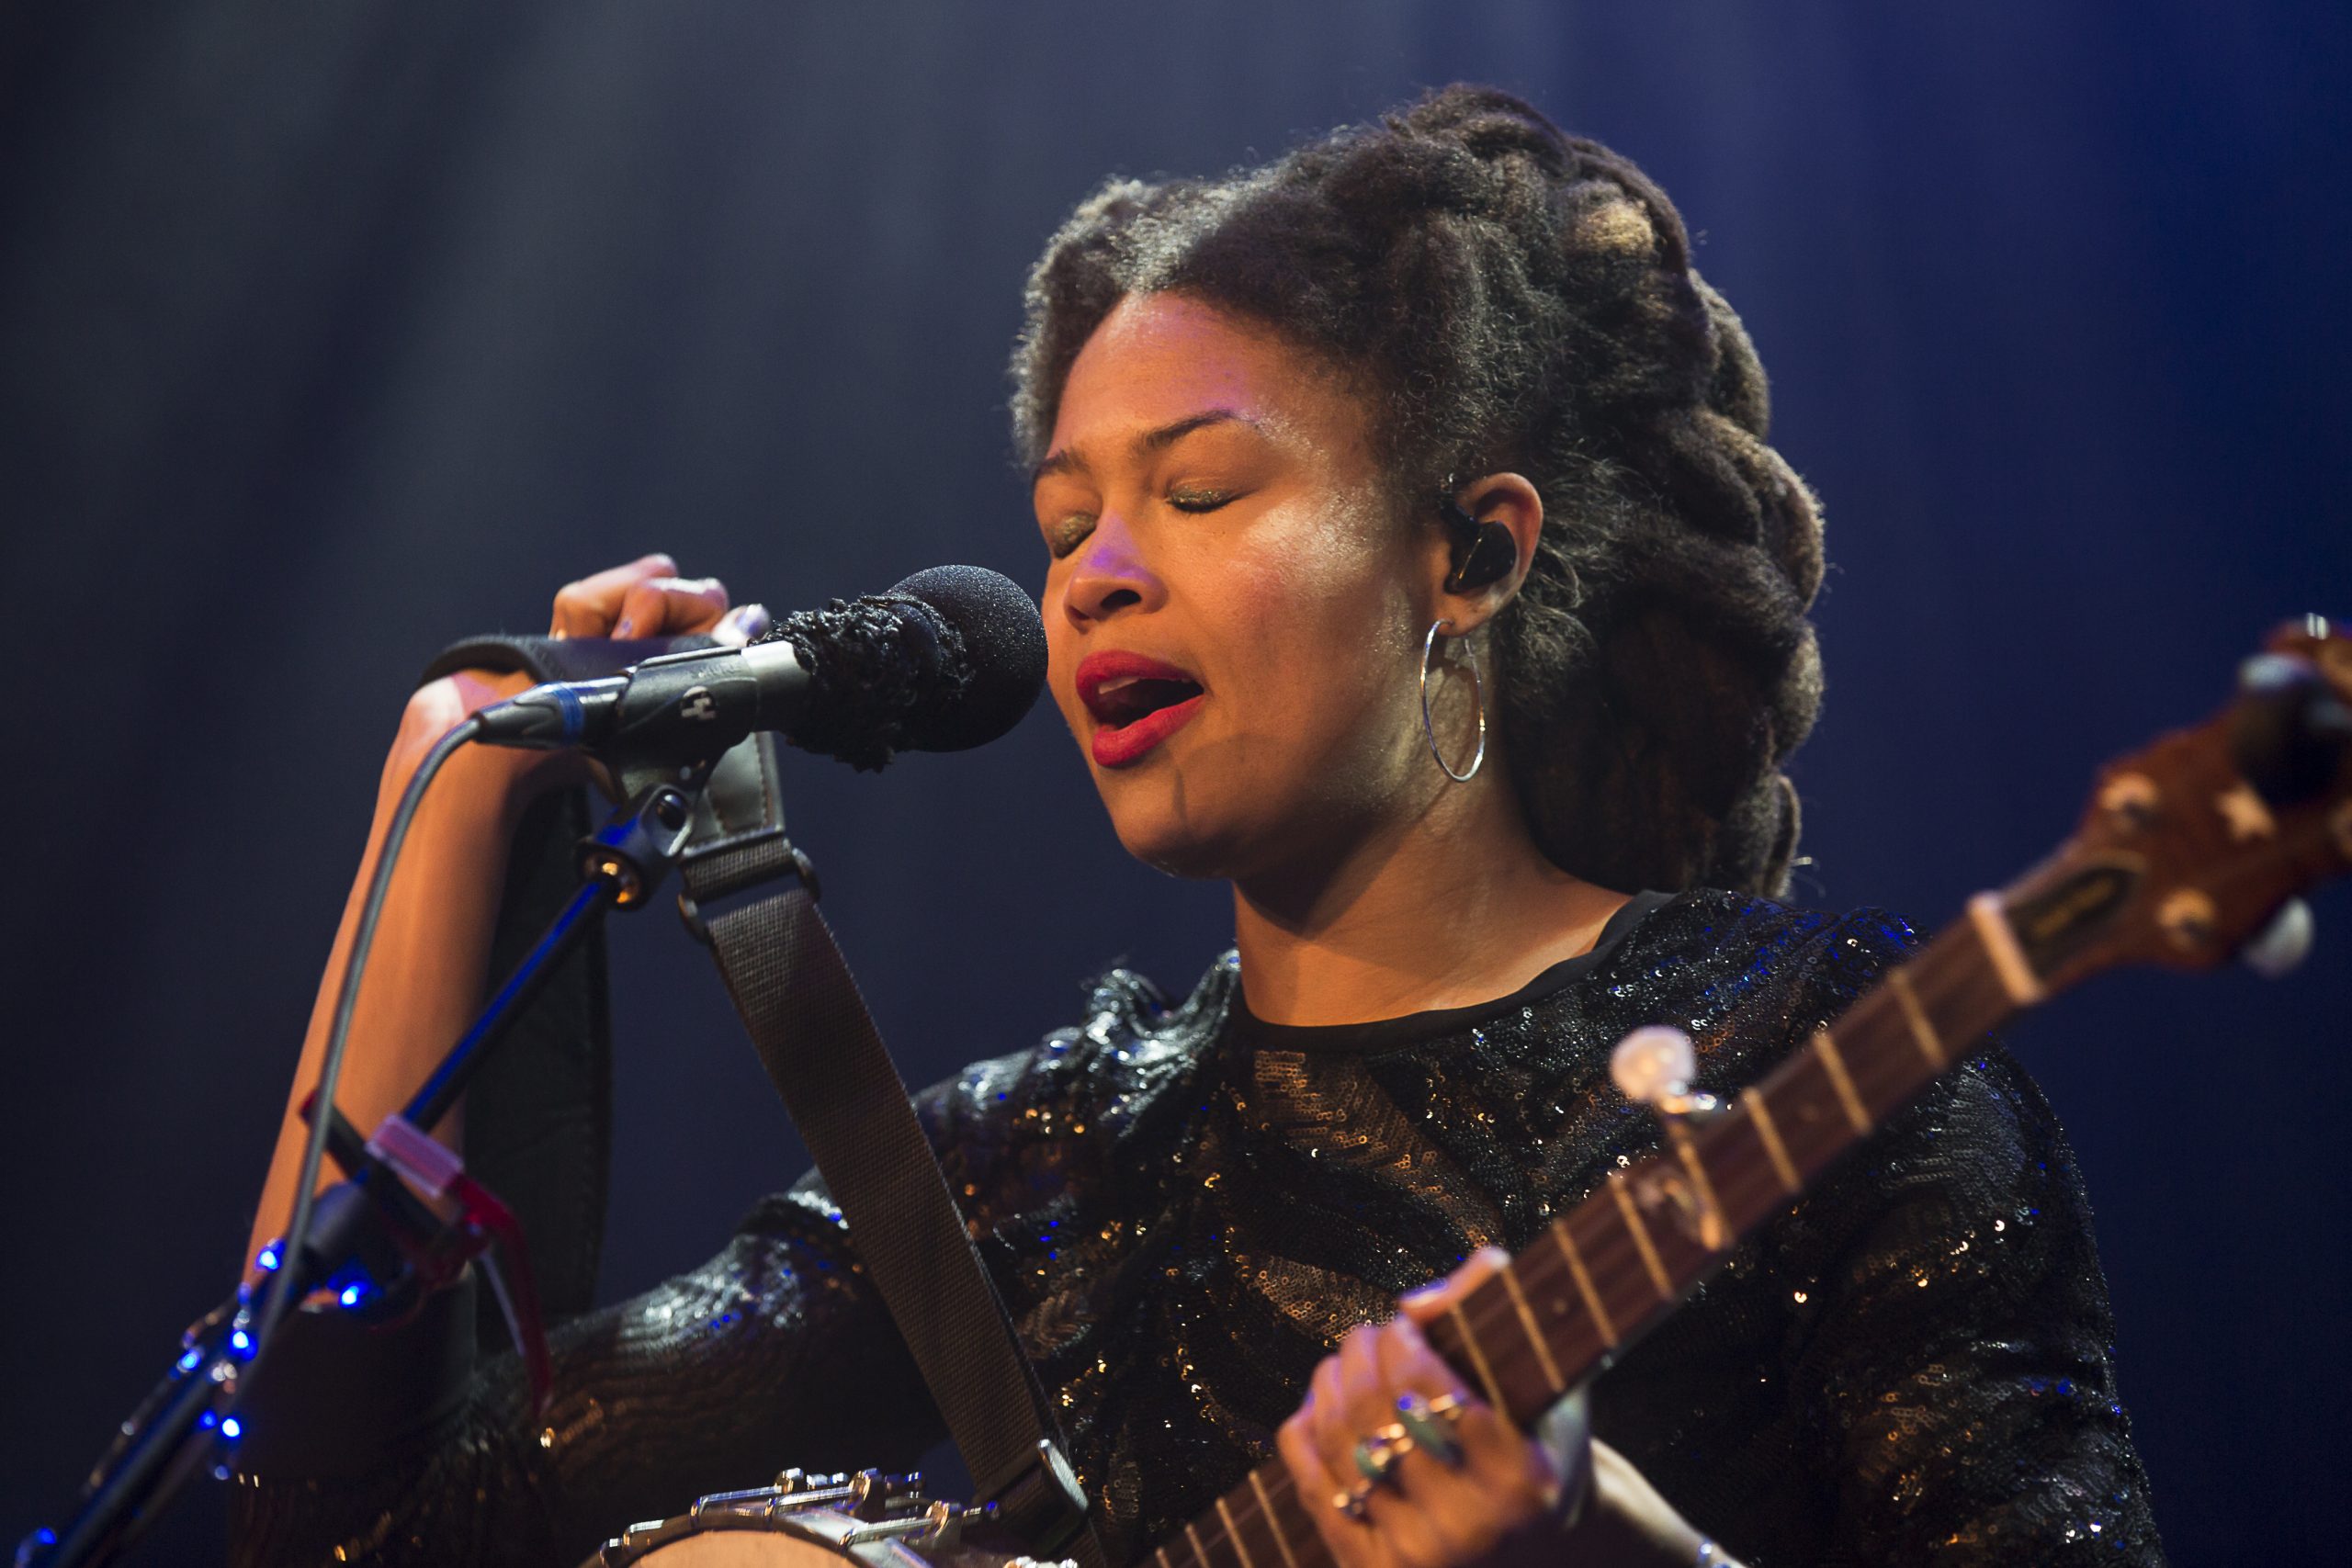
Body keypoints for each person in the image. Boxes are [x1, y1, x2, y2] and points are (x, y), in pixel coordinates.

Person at [230, 87, 2163, 1566]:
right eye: (1065, 522)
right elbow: (363, 1531)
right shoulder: (1053, 1153)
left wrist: (1601, 1550)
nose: (1093, 577)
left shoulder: (1825, 1054)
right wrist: (462, 764)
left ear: (1470, 555)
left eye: (1203, 491)